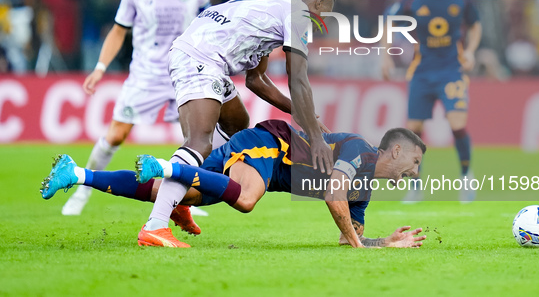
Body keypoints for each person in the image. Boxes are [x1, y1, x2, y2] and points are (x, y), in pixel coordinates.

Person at [142, 0, 337, 242]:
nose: (321, 23)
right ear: (319, 0)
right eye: (324, 14)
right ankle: (155, 225)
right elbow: (298, 79)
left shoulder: (270, 5)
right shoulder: (299, 13)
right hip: (200, 59)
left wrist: (297, 111)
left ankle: (182, 197)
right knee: (198, 143)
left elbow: (256, 80)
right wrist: (315, 138)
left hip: (203, 58)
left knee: (237, 125)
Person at [41, 120, 427, 249]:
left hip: (265, 167)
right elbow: (332, 194)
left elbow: (349, 238)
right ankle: (167, 165)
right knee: (245, 200)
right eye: (414, 161)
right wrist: (364, 248)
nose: (416, 171)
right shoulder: (360, 151)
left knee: (168, 193)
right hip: (269, 145)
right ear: (394, 152)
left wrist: (382, 242)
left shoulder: (365, 191)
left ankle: (77, 175)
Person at [61, 0, 211, 216]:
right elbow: (118, 32)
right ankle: (82, 191)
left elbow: (207, 24)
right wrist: (100, 68)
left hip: (184, 72)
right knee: (116, 135)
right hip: (146, 74)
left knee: (193, 139)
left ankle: (186, 200)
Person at [382, 0, 482, 203]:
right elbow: (389, 22)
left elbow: (475, 26)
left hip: (452, 71)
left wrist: (470, 51)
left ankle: (466, 177)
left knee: (457, 123)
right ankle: (415, 185)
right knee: (414, 130)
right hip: (422, 71)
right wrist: (385, 56)